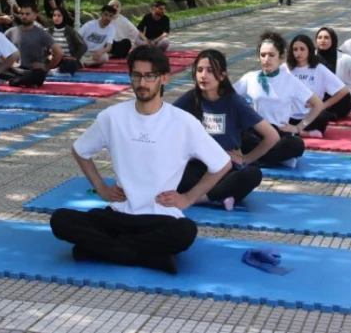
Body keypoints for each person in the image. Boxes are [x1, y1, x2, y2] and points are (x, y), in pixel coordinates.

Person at [49, 46, 231, 273]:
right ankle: (147, 257)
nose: (142, 83)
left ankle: (97, 251)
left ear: (164, 78)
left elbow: (222, 164)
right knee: (60, 219)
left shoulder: (183, 122)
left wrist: (188, 198)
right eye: (136, 75)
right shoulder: (112, 117)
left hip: (159, 217)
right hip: (119, 214)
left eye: (149, 76)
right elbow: (80, 151)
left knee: (185, 231)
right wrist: (101, 188)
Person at [172, 49, 277, 210]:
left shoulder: (234, 102)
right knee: (172, 173)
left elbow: (272, 136)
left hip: (226, 170)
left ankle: (200, 198)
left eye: (210, 71)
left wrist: (246, 159)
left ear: (222, 76)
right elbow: (164, 123)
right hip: (197, 168)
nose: (203, 75)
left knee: (253, 174)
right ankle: (221, 196)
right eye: (199, 70)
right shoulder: (190, 99)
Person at [233, 31, 325, 166]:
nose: (266, 59)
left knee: (297, 145)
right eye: (263, 55)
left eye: (271, 55)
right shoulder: (250, 77)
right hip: (256, 132)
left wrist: (298, 127)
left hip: (280, 133)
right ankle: (273, 159)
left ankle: (258, 158)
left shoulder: (290, 81)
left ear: (281, 57)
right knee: (238, 136)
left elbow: (318, 104)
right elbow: (227, 96)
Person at [285, 34, 351, 131]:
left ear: (309, 50)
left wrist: (323, 105)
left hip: (311, 115)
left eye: (302, 49)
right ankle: (303, 133)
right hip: (290, 115)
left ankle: (297, 130)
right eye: (295, 49)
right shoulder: (286, 69)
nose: (298, 53)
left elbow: (343, 90)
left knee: (322, 116)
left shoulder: (319, 69)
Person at [2, 6, 64, 87]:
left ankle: (15, 81)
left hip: (32, 71)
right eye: (22, 14)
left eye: (27, 14)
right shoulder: (11, 32)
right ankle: (20, 81)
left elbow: (59, 53)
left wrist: (46, 67)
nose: (24, 16)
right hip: (15, 70)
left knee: (39, 74)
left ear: (35, 16)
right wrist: (10, 62)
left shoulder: (41, 34)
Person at [314, 27, 351, 115]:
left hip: (336, 99)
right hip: (316, 98)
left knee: (345, 98)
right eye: (319, 38)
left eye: (326, 38)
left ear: (333, 40)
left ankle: (326, 114)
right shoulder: (310, 57)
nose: (322, 40)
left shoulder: (344, 58)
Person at [47, 7, 86, 74]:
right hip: (53, 59)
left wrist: (74, 57)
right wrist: (47, 55)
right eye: (54, 15)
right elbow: (43, 48)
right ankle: (55, 71)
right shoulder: (48, 31)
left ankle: (55, 71)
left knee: (70, 64)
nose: (56, 18)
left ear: (64, 17)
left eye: (59, 15)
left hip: (66, 60)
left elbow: (83, 46)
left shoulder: (70, 31)